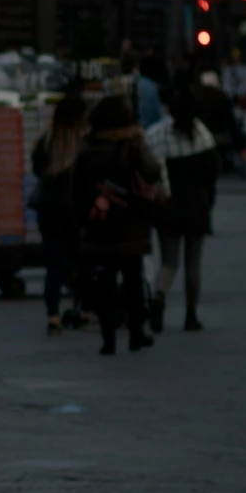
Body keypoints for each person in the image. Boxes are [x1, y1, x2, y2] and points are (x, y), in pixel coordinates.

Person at [69, 95, 164, 355]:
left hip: (99, 223)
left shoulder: (87, 147)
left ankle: (107, 338)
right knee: (133, 279)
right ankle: (136, 333)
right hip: (131, 223)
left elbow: (76, 187)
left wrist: (85, 216)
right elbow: (153, 171)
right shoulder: (133, 145)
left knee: (105, 281)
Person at [145, 80, 219, 332]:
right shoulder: (202, 135)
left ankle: (158, 298)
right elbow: (213, 171)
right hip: (196, 206)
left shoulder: (155, 135)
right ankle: (191, 315)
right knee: (193, 263)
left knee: (169, 261)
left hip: (167, 206)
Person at [32, 94, 91, 335]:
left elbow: (37, 170)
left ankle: (53, 316)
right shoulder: (84, 143)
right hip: (77, 211)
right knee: (84, 261)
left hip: (49, 210)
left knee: (53, 264)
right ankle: (86, 310)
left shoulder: (45, 141)